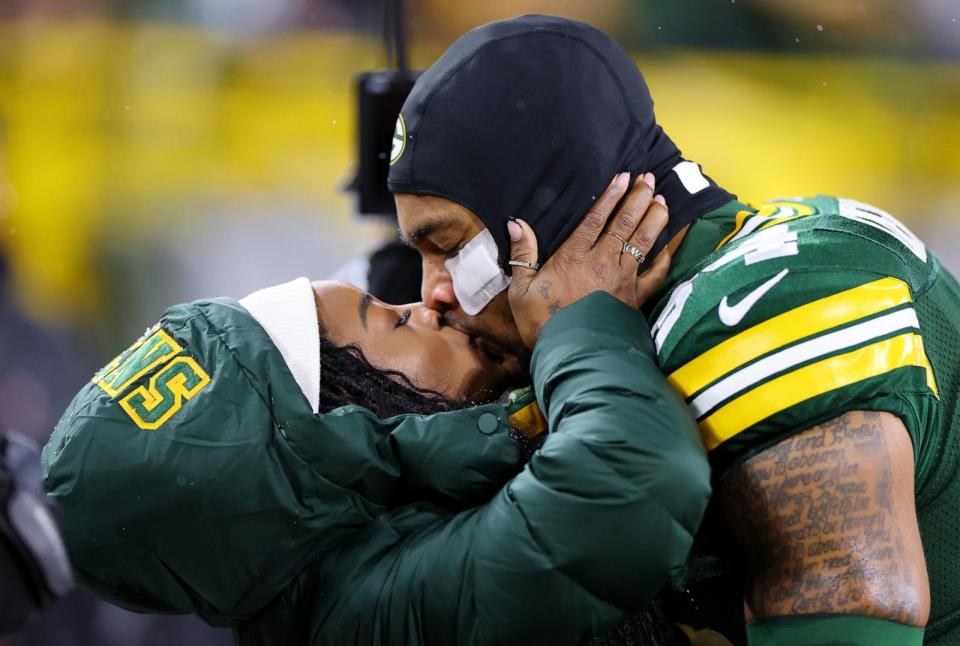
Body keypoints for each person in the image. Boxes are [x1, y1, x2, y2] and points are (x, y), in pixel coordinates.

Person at [387, 14, 959, 645]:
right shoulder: (650, 325)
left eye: (449, 246)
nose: (432, 294)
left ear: (546, 210)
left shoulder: (764, 305)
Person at [42, 186, 711, 644]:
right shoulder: (368, 611)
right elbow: (634, 475)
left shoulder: (343, 568)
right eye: (389, 319)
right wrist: (585, 324)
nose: (430, 305)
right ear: (337, 421)